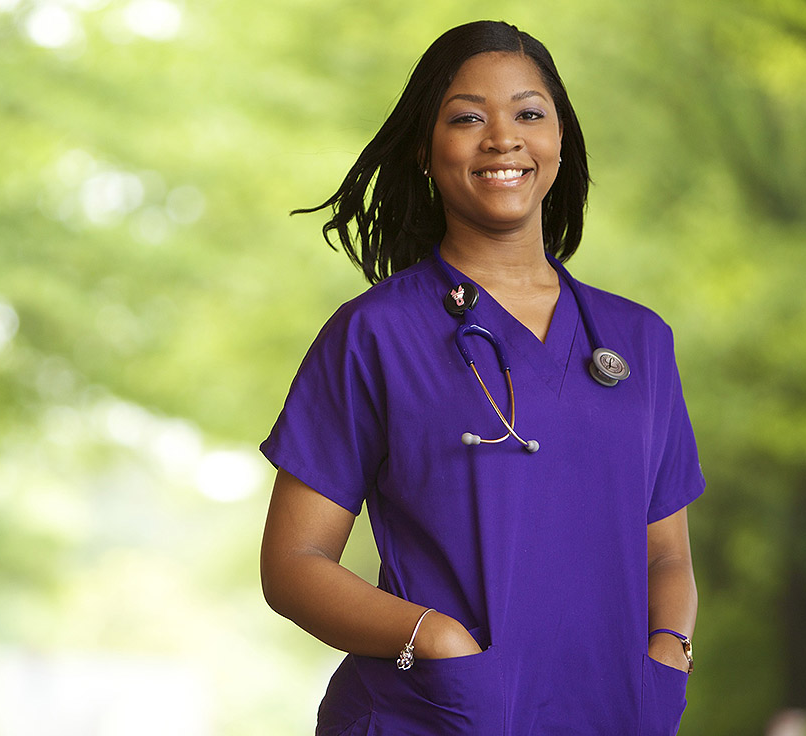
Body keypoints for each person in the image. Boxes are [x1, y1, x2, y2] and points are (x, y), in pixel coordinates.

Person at [259, 20, 703, 736]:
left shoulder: (638, 341)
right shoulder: (374, 335)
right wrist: (432, 638)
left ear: (561, 140)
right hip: (433, 716)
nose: (504, 138)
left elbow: (667, 551)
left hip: (613, 715)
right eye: (468, 118)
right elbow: (293, 562)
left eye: (530, 113)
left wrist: (670, 651)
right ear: (424, 151)